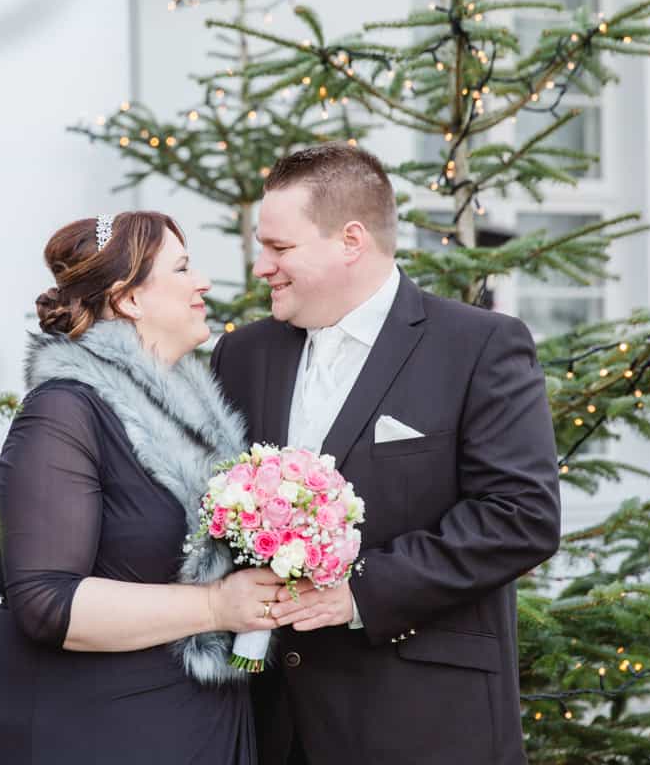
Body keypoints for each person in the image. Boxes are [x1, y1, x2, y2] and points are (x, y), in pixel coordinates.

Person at [211, 143, 562, 765]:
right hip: (270, 727)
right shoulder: (242, 356)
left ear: (351, 240)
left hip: (424, 722)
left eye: (280, 248)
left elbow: (520, 515)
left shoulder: (478, 345)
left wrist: (359, 592)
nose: (261, 266)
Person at [0, 210, 283, 764]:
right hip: (89, 728)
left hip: (190, 721)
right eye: (182, 269)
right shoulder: (64, 410)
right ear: (129, 299)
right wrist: (214, 608)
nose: (202, 282)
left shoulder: (194, 414)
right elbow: (45, 600)